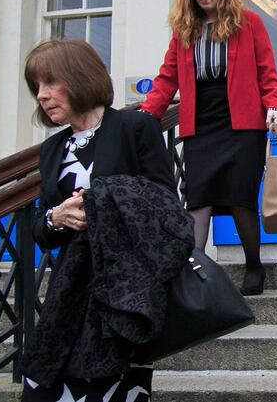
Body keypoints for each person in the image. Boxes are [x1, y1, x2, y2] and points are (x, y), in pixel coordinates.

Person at [21, 38, 184, 402]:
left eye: (50, 83)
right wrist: (55, 217)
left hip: (124, 291)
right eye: (36, 88)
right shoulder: (52, 149)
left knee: (113, 391)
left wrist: (100, 201)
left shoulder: (134, 127)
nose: (42, 95)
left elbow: (166, 206)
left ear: (78, 77)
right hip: (70, 291)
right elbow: (40, 232)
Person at [139, 0, 277, 296]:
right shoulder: (184, 30)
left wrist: (273, 105)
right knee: (198, 200)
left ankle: (253, 264)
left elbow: (267, 71)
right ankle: (194, 273)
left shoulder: (249, 23)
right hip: (201, 124)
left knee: (240, 198)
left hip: (242, 125)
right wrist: (147, 115)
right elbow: (167, 79)